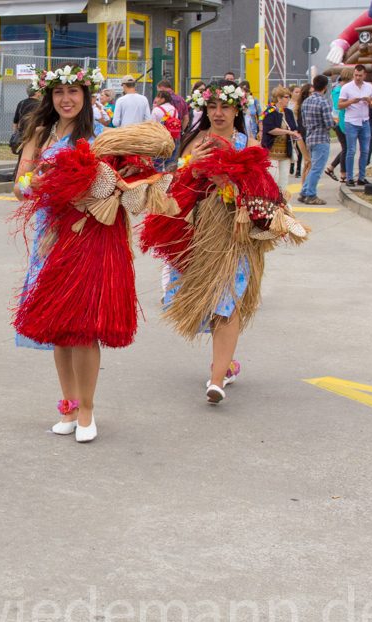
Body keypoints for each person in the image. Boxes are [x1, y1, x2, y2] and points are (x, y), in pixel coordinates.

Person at [12, 65, 168, 443]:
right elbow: (20, 186)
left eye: (74, 92)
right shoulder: (40, 135)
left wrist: (92, 187)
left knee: (82, 327)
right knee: (58, 328)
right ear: (49, 97)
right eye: (59, 92)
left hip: (88, 236)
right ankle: (66, 403)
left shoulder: (100, 137)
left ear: (86, 96)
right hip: (50, 237)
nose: (66, 99)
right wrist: (40, 183)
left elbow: (121, 187)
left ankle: (87, 409)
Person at [141, 80, 309, 404]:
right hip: (201, 232)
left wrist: (236, 181)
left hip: (237, 233)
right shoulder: (195, 141)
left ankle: (216, 380)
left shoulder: (248, 142)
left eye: (225, 107)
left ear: (237, 110)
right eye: (212, 107)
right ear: (205, 110)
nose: (218, 113)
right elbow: (177, 185)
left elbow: (260, 182)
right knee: (206, 300)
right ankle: (226, 364)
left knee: (228, 299)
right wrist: (195, 166)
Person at [298, 74, 335, 205]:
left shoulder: (306, 101)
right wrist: (335, 122)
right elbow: (329, 123)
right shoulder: (323, 102)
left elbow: (303, 121)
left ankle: (304, 191)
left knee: (313, 166)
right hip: (321, 138)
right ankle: (311, 194)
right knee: (317, 169)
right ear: (325, 87)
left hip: (310, 137)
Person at [338, 64, 372, 186]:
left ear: (364, 75)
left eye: (360, 75)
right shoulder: (347, 88)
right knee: (351, 150)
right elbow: (339, 105)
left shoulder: (369, 87)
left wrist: (369, 101)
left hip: (364, 121)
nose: (358, 77)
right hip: (351, 122)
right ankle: (349, 178)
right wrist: (351, 101)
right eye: (356, 75)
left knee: (365, 150)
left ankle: (361, 177)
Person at [260, 86, 302, 193]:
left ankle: (282, 204)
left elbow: (293, 128)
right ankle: (271, 204)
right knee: (273, 178)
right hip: (271, 152)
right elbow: (270, 130)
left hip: (285, 152)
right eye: (286, 97)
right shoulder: (269, 111)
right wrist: (289, 132)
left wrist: (295, 134)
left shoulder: (288, 112)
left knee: (283, 181)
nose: (288, 99)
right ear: (279, 98)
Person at [324, 68, 352, 183]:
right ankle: (343, 174)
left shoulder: (341, 89)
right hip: (339, 122)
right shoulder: (338, 90)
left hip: (344, 121)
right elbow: (338, 106)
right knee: (346, 148)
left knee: (347, 147)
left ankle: (331, 168)